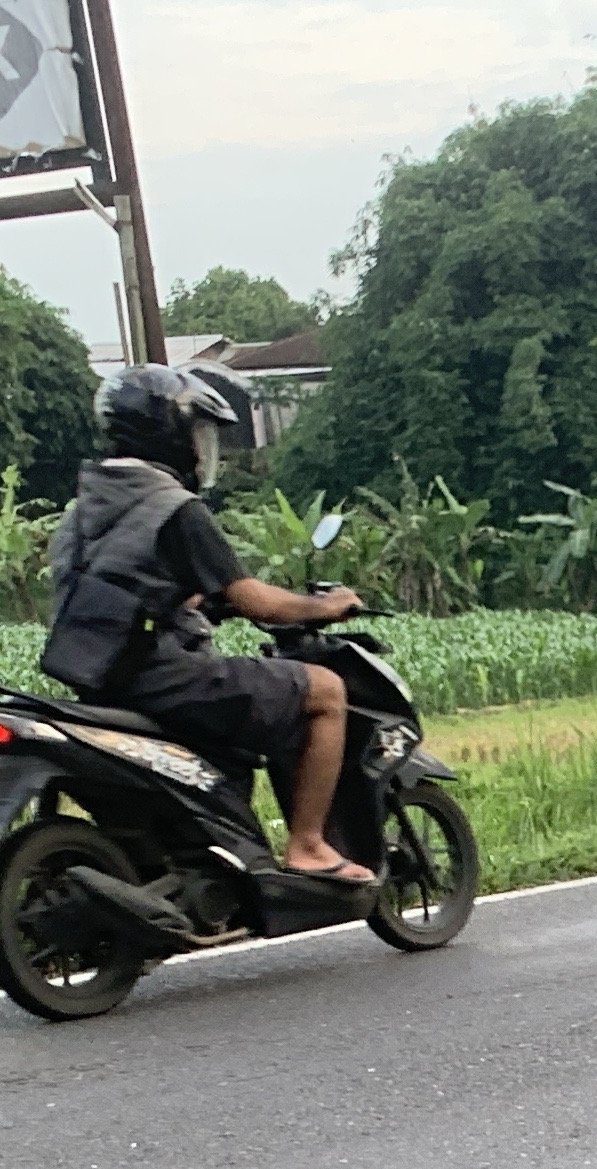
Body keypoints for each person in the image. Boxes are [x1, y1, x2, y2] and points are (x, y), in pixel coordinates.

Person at [41, 363, 374, 883]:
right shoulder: (175, 508)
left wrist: (189, 603)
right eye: (198, 433)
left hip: (101, 683)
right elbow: (255, 601)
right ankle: (308, 845)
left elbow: (123, 587)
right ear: (171, 434)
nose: (202, 448)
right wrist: (325, 607)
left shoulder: (83, 511)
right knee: (326, 692)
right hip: (164, 679)